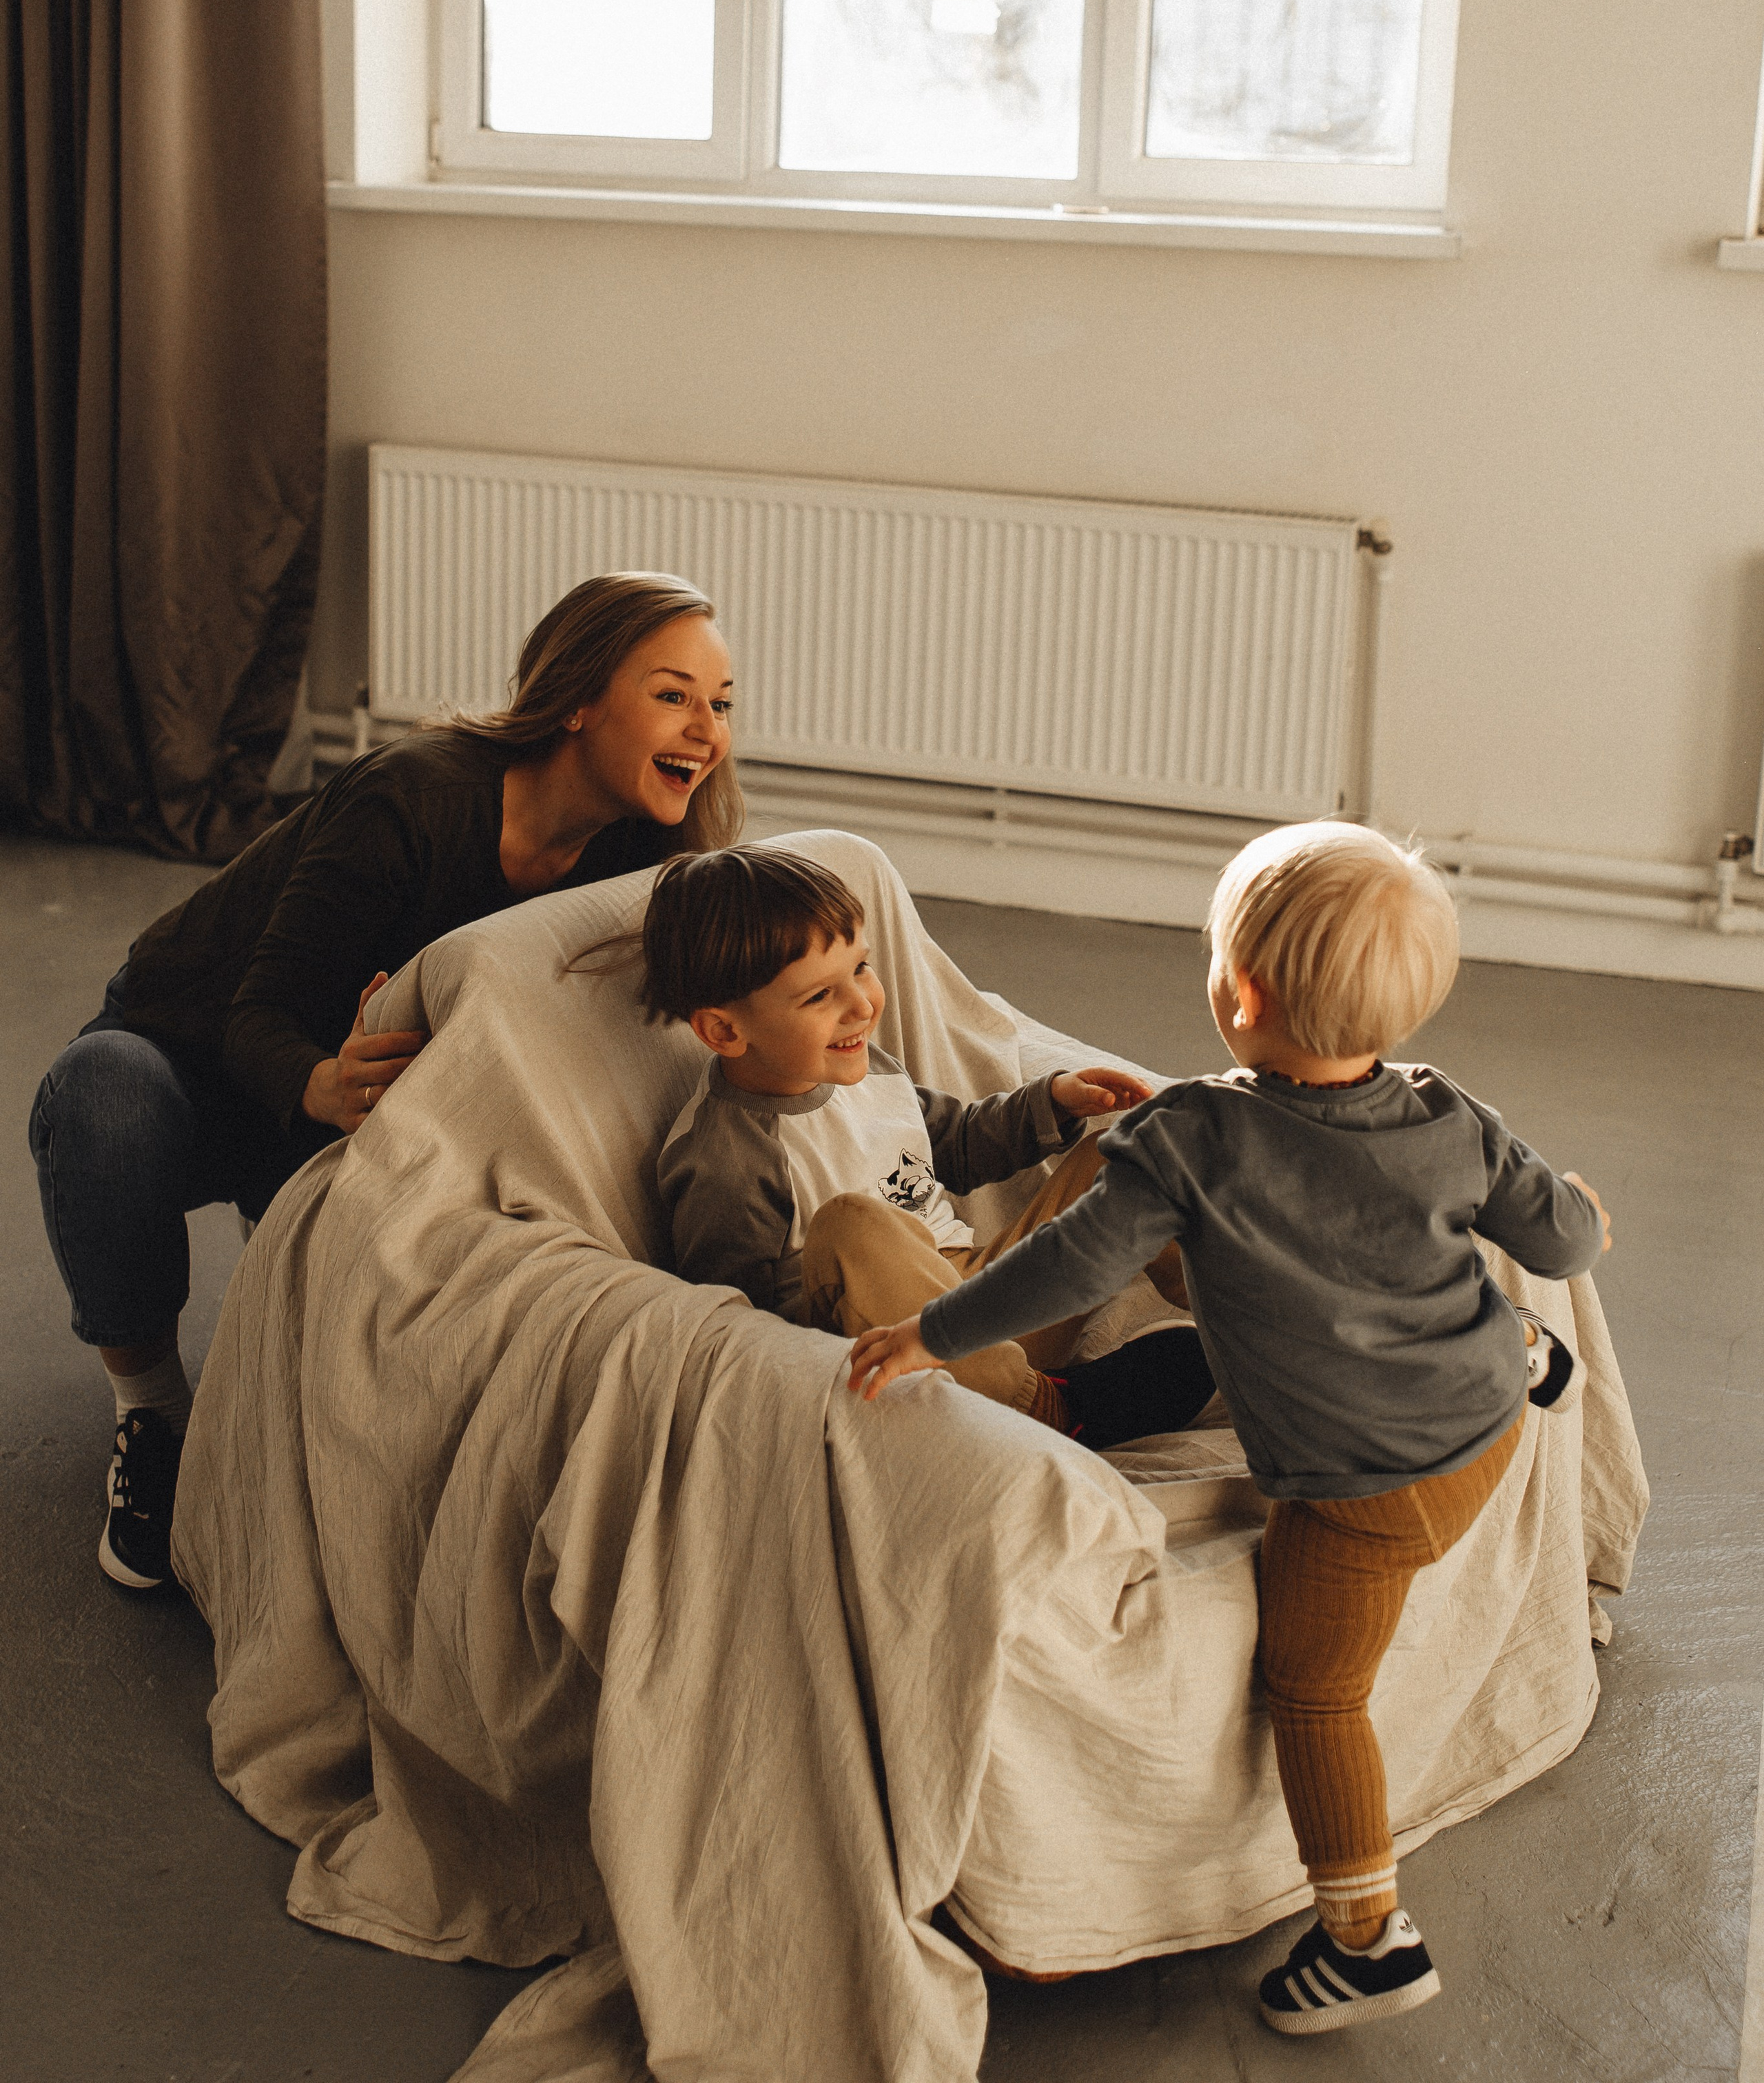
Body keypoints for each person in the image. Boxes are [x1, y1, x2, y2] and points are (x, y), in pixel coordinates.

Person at [848, 819, 1611, 2038]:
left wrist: (933, 1332)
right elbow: (1559, 1239)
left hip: (1365, 1495)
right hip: (1482, 1427)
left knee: (1315, 1691)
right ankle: (1522, 1351)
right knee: (1373, 1277)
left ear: (1240, 991)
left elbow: (1068, 1265)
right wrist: (1580, 1211)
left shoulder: (1193, 1138)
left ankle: (1364, 1937)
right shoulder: (1448, 1113)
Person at [31, 571, 741, 1593]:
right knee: (101, 1098)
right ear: (579, 699)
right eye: (674, 695)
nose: (707, 730)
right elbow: (256, 1013)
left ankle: (288, 1249)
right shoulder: (415, 794)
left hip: (364, 1092)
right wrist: (319, 1085)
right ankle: (151, 1415)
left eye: (721, 703)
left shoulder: (648, 852)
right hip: (202, 1053)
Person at [646, 846, 1216, 1444]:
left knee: (1126, 1154)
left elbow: (957, 1142)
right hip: (898, 1351)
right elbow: (742, 1334)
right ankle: (1047, 1408)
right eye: (819, 997)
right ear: (725, 1030)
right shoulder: (725, 1160)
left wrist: (1053, 1103)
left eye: (860, 969)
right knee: (851, 1225)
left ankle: (1240, 1310)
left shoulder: (868, 1068)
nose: (862, 1005)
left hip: (989, 1305)